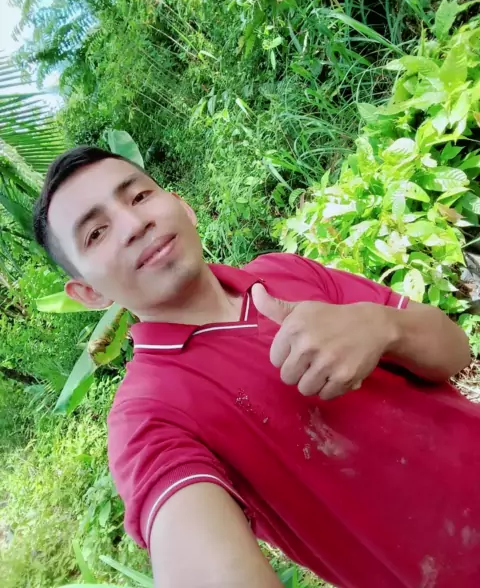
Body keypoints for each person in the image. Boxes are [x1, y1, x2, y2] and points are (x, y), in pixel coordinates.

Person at [33, 146, 480, 588]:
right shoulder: (148, 415)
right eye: (96, 233)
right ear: (89, 293)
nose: (135, 225)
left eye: (139, 197)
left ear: (182, 206)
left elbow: (456, 351)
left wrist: (384, 326)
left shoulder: (285, 272)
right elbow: (194, 547)